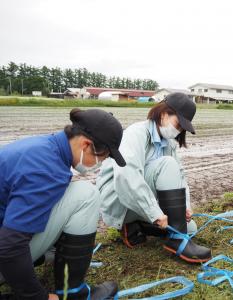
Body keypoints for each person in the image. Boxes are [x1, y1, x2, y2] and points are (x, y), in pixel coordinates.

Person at [0, 108, 126, 299]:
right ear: (85, 144)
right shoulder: (47, 169)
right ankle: (73, 291)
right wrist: (37, 296)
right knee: (86, 194)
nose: (100, 163)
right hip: (4, 253)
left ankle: (46, 254)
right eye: (103, 157)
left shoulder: (42, 148)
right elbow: (9, 246)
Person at [97, 92, 212, 264]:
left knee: (190, 227)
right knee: (167, 164)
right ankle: (177, 242)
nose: (178, 131)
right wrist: (154, 212)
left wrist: (184, 207)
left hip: (140, 200)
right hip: (119, 199)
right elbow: (127, 177)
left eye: (182, 128)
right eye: (178, 124)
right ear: (164, 114)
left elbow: (180, 177)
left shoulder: (169, 143)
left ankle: (137, 226)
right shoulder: (136, 133)